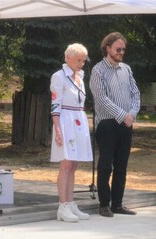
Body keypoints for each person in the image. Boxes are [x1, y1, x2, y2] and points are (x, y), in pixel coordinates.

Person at [90, 32, 140, 218]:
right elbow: (101, 99)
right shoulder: (98, 71)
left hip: (126, 123)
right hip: (107, 124)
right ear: (108, 48)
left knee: (122, 165)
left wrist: (132, 114)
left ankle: (118, 204)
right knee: (105, 165)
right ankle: (104, 204)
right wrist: (122, 115)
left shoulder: (126, 69)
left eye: (123, 50)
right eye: (118, 49)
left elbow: (136, 93)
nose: (121, 52)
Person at [50, 43, 93, 222]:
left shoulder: (80, 76)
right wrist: (58, 129)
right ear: (68, 58)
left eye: (83, 61)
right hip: (66, 120)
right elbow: (55, 104)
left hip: (78, 120)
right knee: (66, 164)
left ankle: (70, 202)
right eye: (78, 60)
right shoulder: (59, 77)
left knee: (74, 164)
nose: (81, 64)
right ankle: (63, 205)